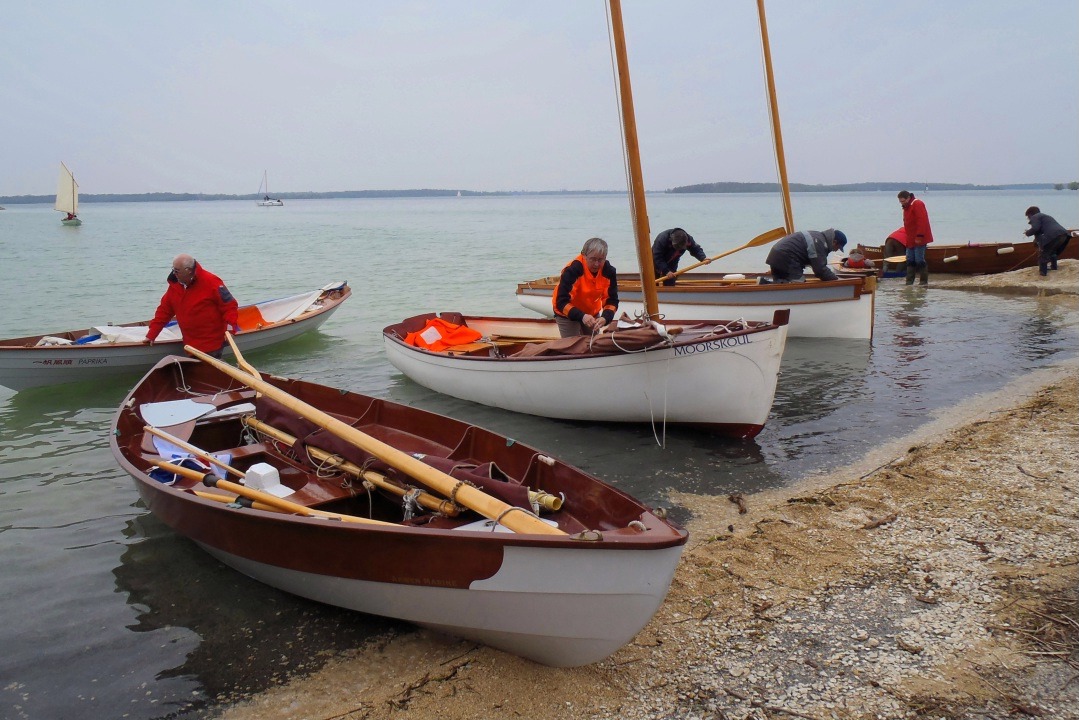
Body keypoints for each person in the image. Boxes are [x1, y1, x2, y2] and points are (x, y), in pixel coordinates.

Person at [144, 254, 240, 358]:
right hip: (191, 346)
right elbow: (164, 312)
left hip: (212, 343)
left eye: (177, 271)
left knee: (207, 371)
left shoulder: (212, 282)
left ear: (188, 270)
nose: (174, 274)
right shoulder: (175, 287)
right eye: (173, 270)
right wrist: (151, 335)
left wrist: (231, 330)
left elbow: (229, 306)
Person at [551, 237, 618, 338]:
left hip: (591, 313)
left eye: (600, 260)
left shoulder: (609, 271)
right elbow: (561, 302)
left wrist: (605, 317)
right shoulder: (573, 270)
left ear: (605, 257)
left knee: (594, 343)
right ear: (584, 255)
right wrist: (582, 316)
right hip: (566, 312)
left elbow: (612, 301)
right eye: (593, 259)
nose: (596, 264)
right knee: (573, 345)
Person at [763, 229, 847, 283]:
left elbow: (815, 264)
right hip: (787, 257)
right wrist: (837, 281)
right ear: (834, 242)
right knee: (798, 284)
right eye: (837, 247)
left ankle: (763, 283)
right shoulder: (820, 243)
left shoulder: (817, 236)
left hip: (775, 254)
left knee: (780, 283)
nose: (836, 250)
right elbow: (820, 270)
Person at [898, 190, 934, 285]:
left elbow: (922, 220)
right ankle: (909, 282)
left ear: (908, 198)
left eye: (903, 201)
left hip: (919, 238)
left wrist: (920, 235)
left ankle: (923, 282)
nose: (902, 203)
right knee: (910, 260)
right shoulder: (906, 207)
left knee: (919, 260)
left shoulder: (917, 203)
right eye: (900, 202)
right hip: (910, 238)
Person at [1023, 206, 1069, 276]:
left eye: (1028, 217)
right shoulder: (1045, 217)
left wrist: (1027, 233)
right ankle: (1054, 267)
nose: (1028, 219)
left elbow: (1035, 228)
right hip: (1064, 235)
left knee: (1043, 255)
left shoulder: (1035, 217)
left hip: (1053, 236)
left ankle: (1043, 273)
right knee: (1052, 251)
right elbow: (1040, 232)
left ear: (1030, 214)